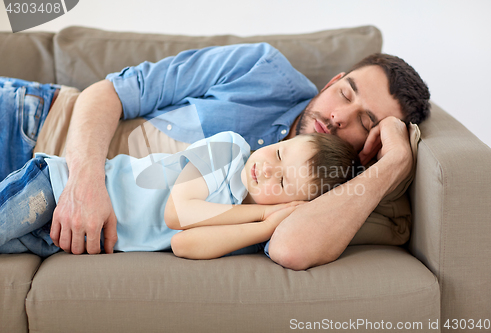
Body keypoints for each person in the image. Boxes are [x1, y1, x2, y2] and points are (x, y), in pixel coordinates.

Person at [0, 42, 430, 269]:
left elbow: (291, 250)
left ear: (370, 149)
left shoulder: (323, 189)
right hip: (33, 123)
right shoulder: (260, 69)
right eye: (344, 92)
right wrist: (83, 181)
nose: (338, 116)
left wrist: (393, 163)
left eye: (367, 122)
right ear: (334, 79)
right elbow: (107, 92)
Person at [0, 131, 360, 260]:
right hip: (59, 189)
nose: (266, 169)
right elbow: (178, 213)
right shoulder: (230, 150)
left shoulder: (246, 227)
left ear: (290, 204)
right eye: (280, 153)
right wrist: (264, 216)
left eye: (281, 183)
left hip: (73, 238)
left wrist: (266, 228)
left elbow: (184, 245)